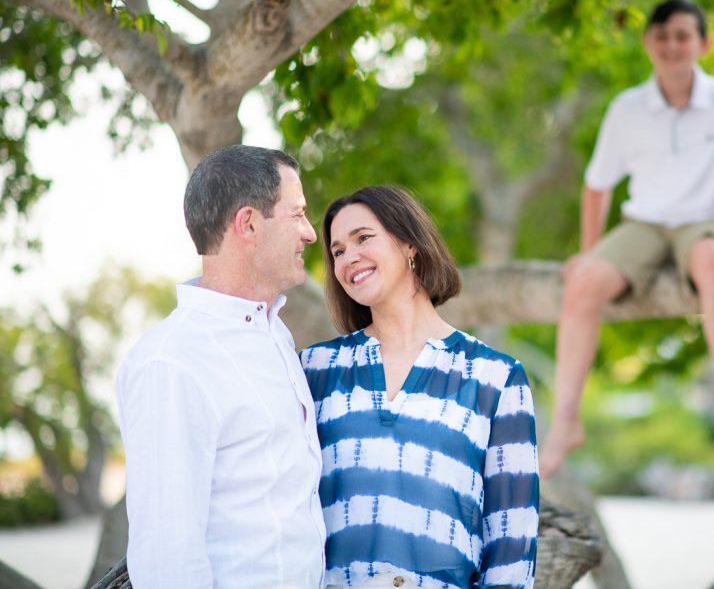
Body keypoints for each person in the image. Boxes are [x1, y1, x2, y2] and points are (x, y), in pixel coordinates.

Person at [539, 0, 714, 476]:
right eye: (661, 36)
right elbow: (597, 185)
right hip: (645, 222)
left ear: (701, 43)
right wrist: (589, 251)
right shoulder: (627, 108)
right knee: (580, 286)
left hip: (709, 219)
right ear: (648, 43)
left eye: (682, 36)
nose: (671, 46)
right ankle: (565, 422)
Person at [301, 185, 539, 589]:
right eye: (337, 251)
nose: (348, 258)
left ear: (410, 243)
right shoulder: (313, 369)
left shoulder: (496, 378)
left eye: (363, 238)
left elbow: (512, 545)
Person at [116, 145, 327, 588]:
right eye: (297, 214)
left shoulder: (276, 335)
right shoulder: (171, 361)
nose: (310, 233)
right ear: (249, 223)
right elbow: (166, 560)